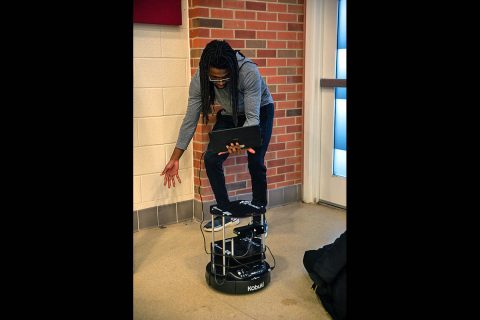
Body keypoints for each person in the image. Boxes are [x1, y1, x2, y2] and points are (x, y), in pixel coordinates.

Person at [161, 39, 274, 231]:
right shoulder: (200, 79)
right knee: (211, 159)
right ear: (207, 72)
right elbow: (190, 119)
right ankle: (225, 212)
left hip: (259, 111)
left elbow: (252, 118)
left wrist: (242, 141)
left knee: (255, 161)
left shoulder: (248, 72)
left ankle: (258, 216)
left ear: (232, 69)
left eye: (225, 77)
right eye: (215, 78)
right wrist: (175, 157)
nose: (220, 82)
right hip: (230, 113)